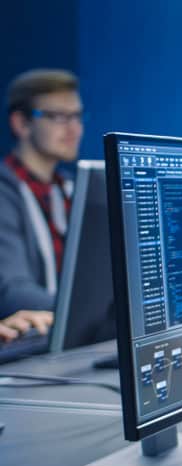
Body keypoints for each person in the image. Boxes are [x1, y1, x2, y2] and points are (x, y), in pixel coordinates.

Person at [0, 69, 84, 318]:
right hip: (32, 343)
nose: (74, 129)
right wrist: (82, 314)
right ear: (21, 123)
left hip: (71, 338)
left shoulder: (72, 188)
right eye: (58, 117)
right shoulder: (5, 191)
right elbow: (11, 292)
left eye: (77, 116)